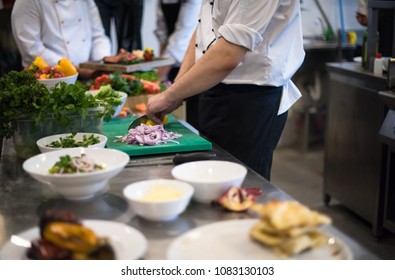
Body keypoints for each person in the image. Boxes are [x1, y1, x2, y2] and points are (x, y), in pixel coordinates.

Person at [146, 0, 305, 180]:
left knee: (238, 188)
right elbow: (203, 30)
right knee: (201, 178)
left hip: (247, 100)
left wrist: (169, 95)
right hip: (207, 85)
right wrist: (178, 88)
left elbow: (228, 53)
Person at [11, 0, 111, 80]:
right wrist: (76, 69)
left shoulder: (86, 1)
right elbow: (32, 49)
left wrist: (102, 62)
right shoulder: (27, 2)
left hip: (87, 79)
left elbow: (98, 36)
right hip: (48, 81)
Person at [154, 0, 201, 82]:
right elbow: (162, 33)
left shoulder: (194, 2)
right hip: (169, 61)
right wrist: (160, 64)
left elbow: (181, 38)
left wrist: (159, 75)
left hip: (189, 60)